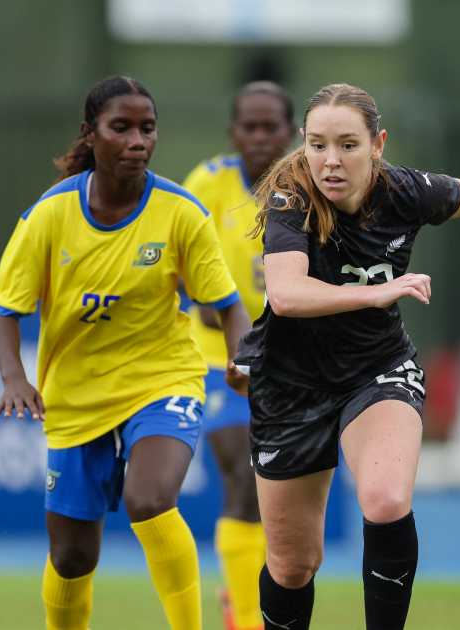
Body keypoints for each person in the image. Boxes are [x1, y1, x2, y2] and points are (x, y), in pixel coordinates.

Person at [231, 83, 460, 630]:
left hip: (376, 369)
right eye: (318, 145)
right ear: (303, 144)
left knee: (385, 498)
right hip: (289, 385)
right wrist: (373, 292)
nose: (331, 161)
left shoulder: (406, 190)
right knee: (293, 564)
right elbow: (286, 294)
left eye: (348, 145)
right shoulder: (290, 197)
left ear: (378, 145)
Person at [0, 75, 251, 630]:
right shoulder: (49, 215)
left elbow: (228, 306)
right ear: (91, 134)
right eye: (121, 128)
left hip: (162, 381)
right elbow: (4, 312)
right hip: (76, 398)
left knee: (150, 498)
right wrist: (14, 379)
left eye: (148, 128)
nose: (137, 140)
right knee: (71, 557)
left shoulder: (181, 211)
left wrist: (243, 360)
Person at [181, 81, 296, 630]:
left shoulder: (309, 188)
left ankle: (257, 600)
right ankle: (245, 617)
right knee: (241, 477)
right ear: (232, 132)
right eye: (248, 126)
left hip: (292, 361)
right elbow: (186, 273)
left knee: (281, 495)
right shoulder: (208, 182)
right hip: (215, 356)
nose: (258, 136)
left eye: (269, 125)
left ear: (290, 132)